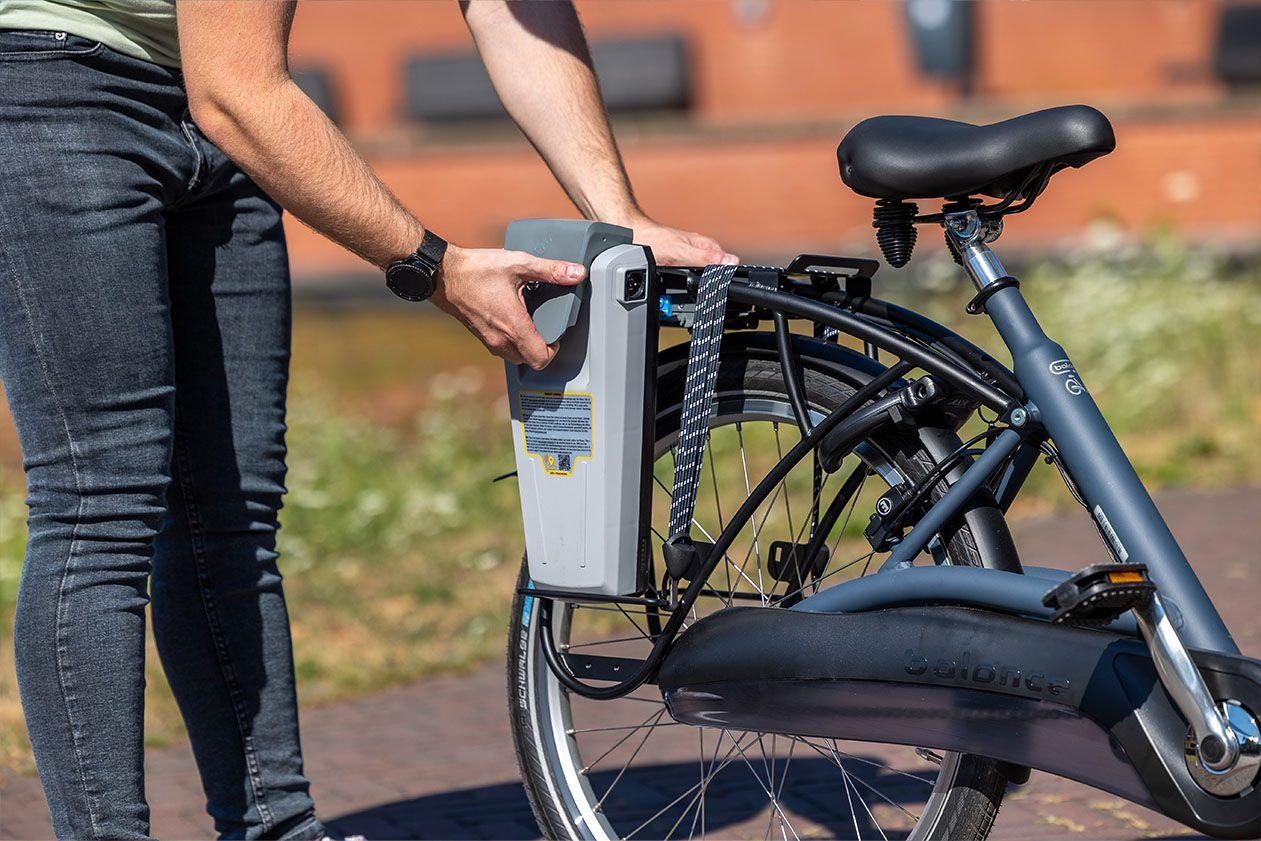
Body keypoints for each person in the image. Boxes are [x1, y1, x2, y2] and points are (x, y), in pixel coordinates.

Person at [0, 1, 737, 838]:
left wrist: (621, 213)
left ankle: (277, 826)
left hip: (223, 107)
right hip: (57, 86)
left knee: (231, 514)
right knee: (104, 501)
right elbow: (237, 92)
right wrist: (434, 267)